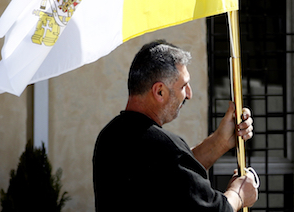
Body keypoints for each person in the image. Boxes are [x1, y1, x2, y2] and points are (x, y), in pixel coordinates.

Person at [93, 40, 259, 212]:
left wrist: (221, 141)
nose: (189, 94)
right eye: (183, 86)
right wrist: (239, 193)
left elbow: (171, 175)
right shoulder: (163, 147)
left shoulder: (110, 135)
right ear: (159, 91)